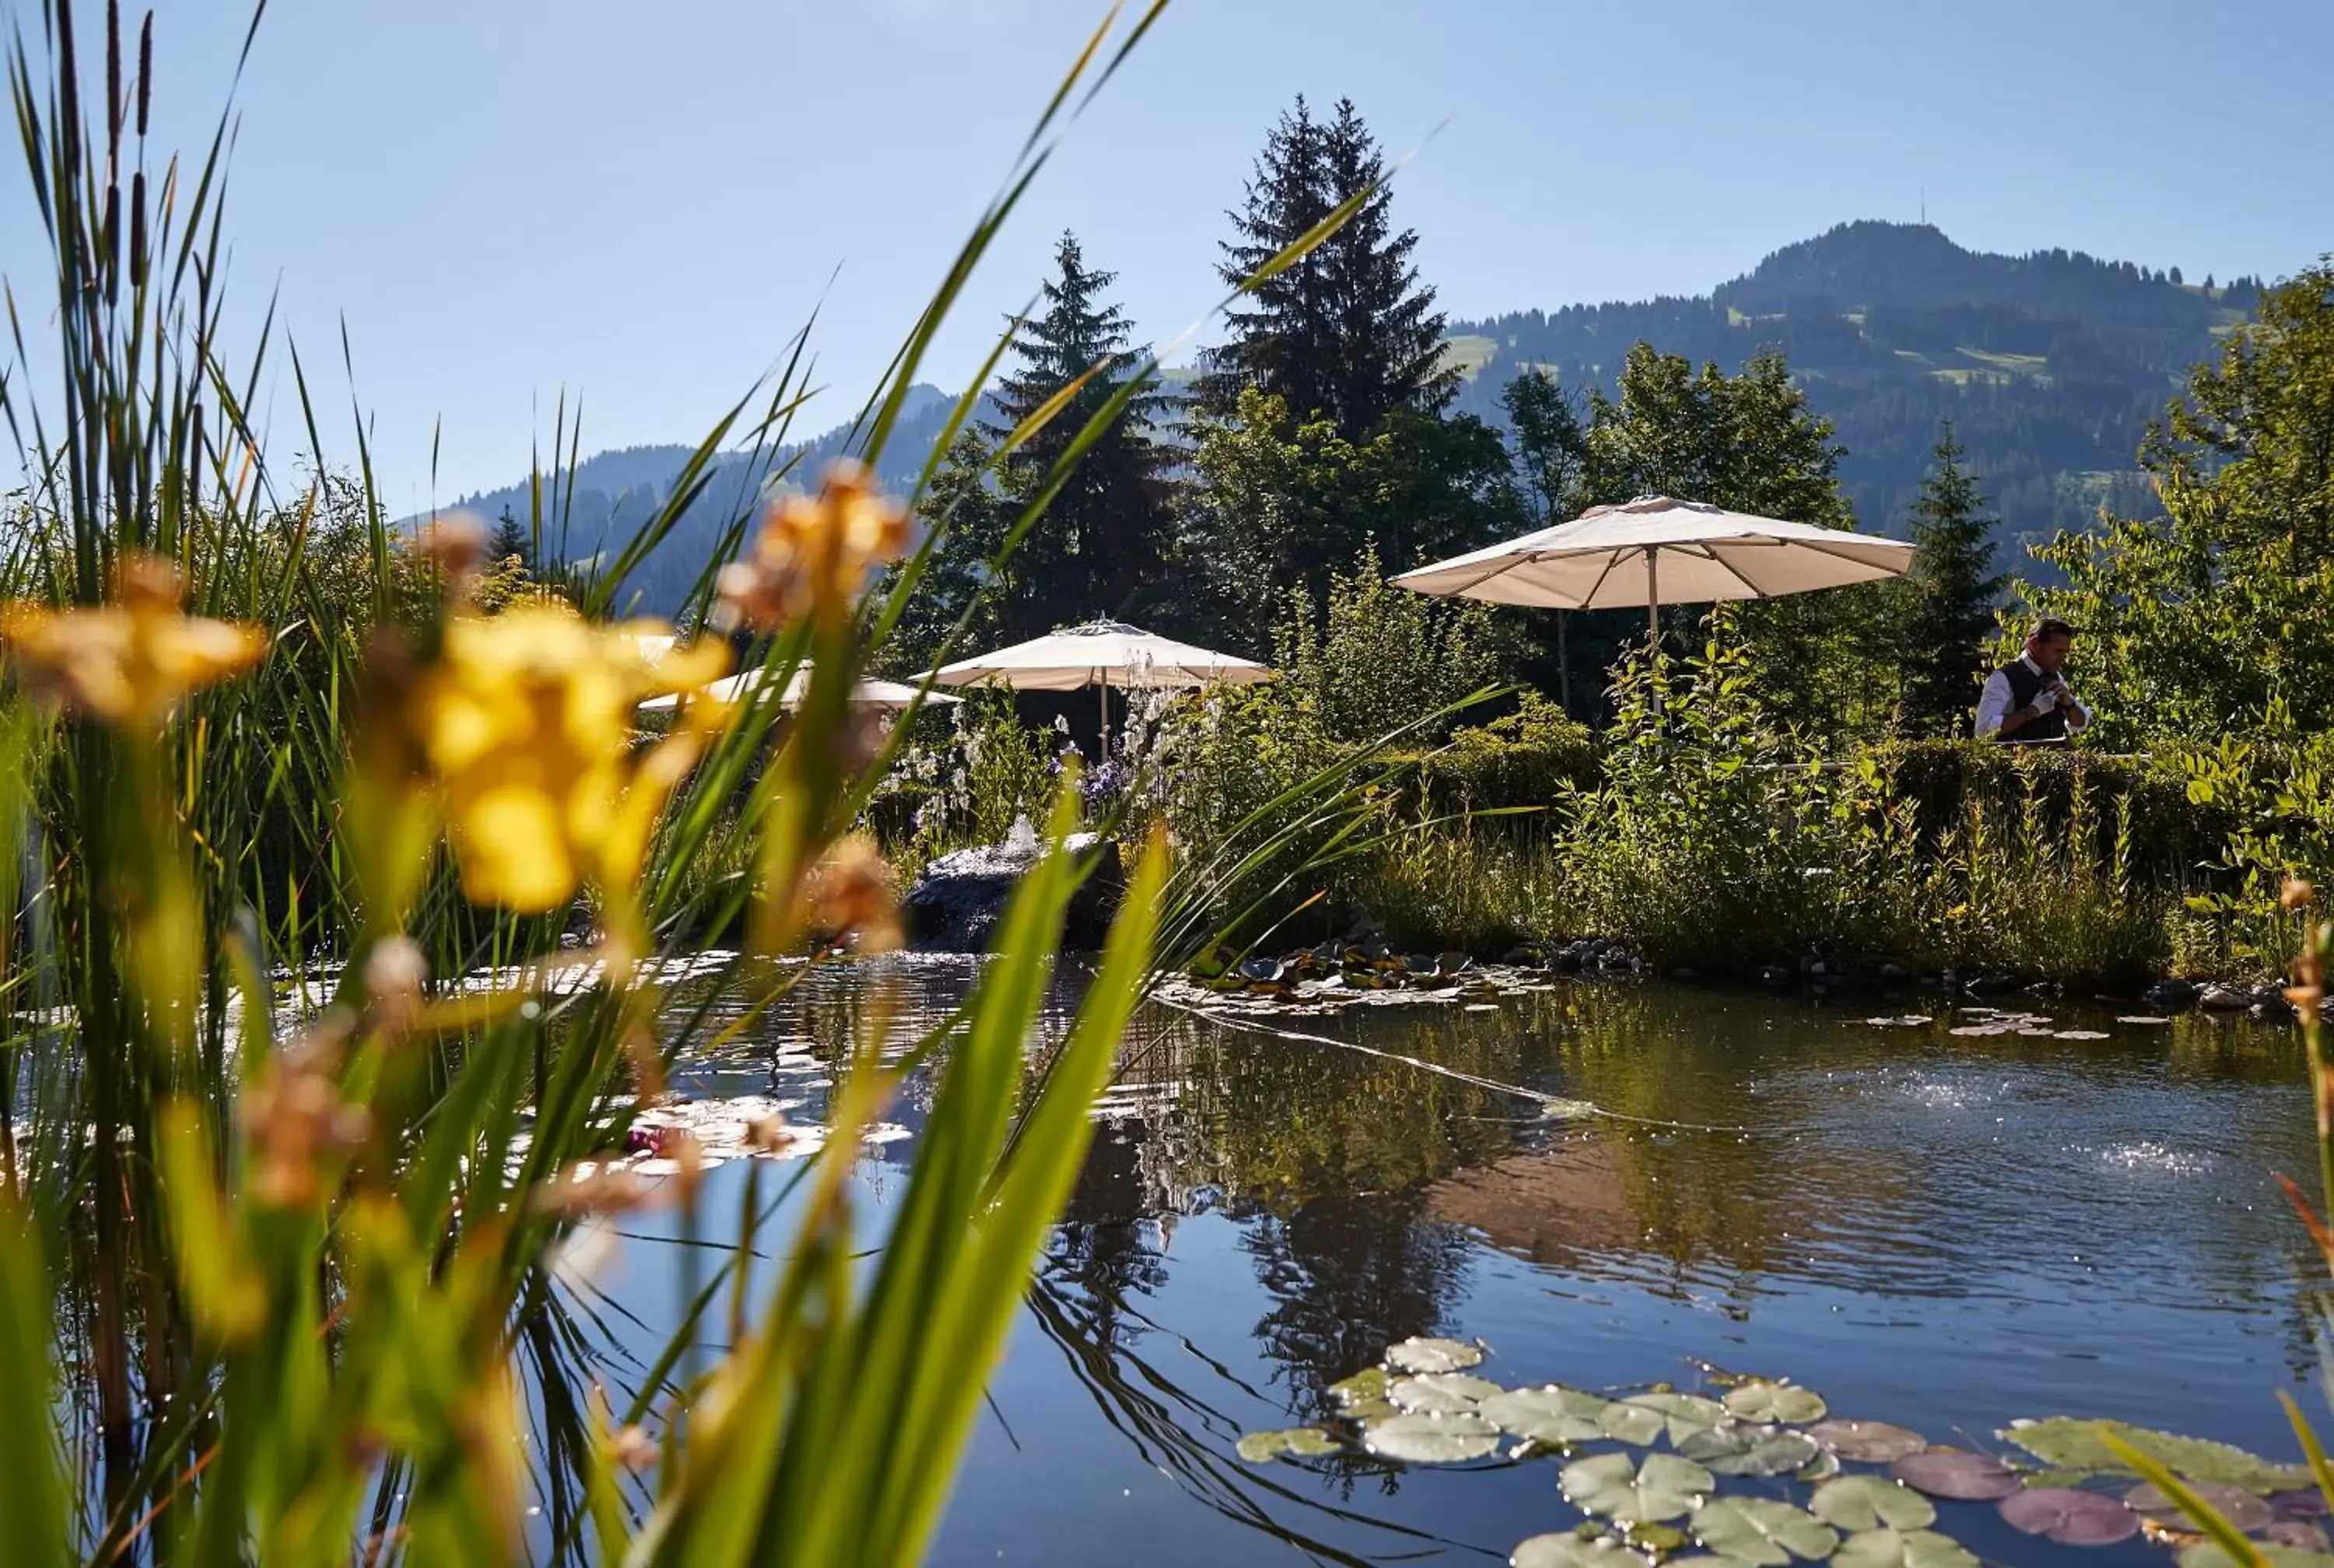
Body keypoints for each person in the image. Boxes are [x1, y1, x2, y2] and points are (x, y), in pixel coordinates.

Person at [1975, 618, 2091, 744]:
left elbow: (2080, 725)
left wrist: (2070, 705)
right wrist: (2031, 711)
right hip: (2014, 761)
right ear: (2035, 644)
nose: (2063, 659)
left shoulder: (2055, 677)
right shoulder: (2003, 677)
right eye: (2058, 651)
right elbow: (1983, 730)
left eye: (2065, 653)